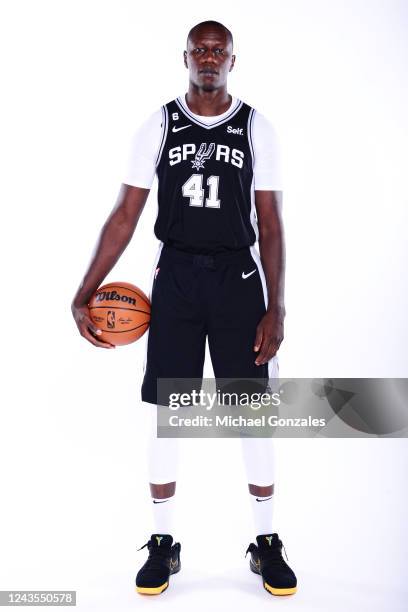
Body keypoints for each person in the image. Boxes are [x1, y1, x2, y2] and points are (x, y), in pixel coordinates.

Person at [71, 20, 297, 597]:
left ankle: (266, 542)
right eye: (200, 49)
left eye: (218, 50)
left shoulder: (256, 127)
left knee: (251, 415)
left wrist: (276, 305)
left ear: (232, 61)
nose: (208, 58)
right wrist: (84, 288)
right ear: (186, 58)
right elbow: (124, 215)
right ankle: (164, 543)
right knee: (169, 413)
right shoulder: (159, 124)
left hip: (238, 279)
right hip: (174, 278)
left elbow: (270, 224)